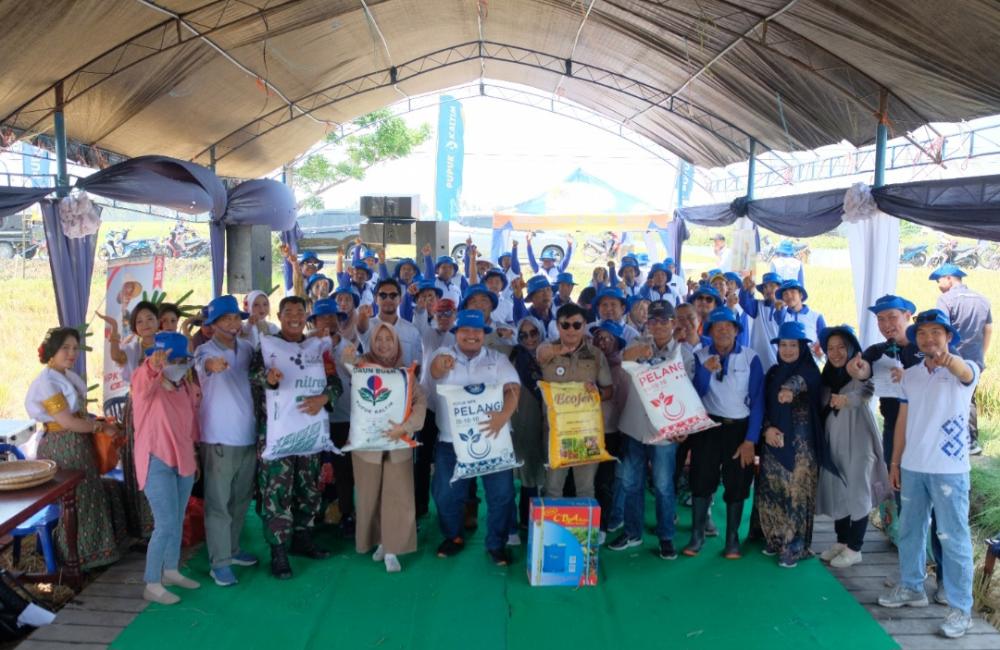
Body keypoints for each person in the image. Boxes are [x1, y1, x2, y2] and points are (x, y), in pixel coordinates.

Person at [878, 309, 979, 640]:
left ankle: (960, 608)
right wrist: (894, 462)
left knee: (954, 539)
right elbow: (903, 421)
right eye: (922, 333)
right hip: (913, 466)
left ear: (949, 337)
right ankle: (911, 586)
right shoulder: (911, 375)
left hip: (949, 471)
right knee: (910, 530)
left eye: (937, 332)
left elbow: (964, 372)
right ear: (916, 338)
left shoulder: (965, 370)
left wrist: (946, 359)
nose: (929, 339)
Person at [251, 296, 342, 579]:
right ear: (279, 316)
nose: (294, 316)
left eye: (300, 312)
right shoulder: (267, 346)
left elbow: (335, 382)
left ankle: (302, 537)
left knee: (309, 488)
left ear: (306, 317)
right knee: (276, 493)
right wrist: (270, 378)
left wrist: (325, 397)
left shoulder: (316, 347)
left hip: (309, 434)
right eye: (288, 312)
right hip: (277, 436)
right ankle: (278, 552)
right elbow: (254, 374)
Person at [25, 327, 125, 570]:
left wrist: (99, 423)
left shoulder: (65, 375)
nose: (72, 353)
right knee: (80, 498)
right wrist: (101, 429)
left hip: (77, 442)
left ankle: (98, 553)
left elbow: (77, 416)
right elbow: (67, 422)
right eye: (65, 348)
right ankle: (77, 558)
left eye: (75, 348)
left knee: (91, 493)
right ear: (51, 351)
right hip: (63, 445)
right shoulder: (47, 382)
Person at [428, 309, 520, 565]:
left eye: (476, 331)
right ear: (456, 333)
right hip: (451, 441)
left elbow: (513, 389)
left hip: (495, 438)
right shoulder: (443, 355)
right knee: (445, 493)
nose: (471, 335)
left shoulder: (497, 359)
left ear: (483, 334)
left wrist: (504, 415)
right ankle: (453, 536)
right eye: (465, 330)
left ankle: (496, 544)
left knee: (501, 494)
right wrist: (441, 365)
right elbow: (434, 371)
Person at [612, 301, 695, 558]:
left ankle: (666, 536)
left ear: (673, 324)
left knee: (663, 485)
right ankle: (632, 532)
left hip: (664, 430)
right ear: (647, 323)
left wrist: (684, 427)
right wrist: (638, 351)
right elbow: (623, 365)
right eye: (654, 321)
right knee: (630, 482)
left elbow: (688, 393)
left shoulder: (684, 353)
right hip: (635, 425)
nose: (658, 325)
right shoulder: (636, 346)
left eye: (664, 321)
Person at [342, 322, 427, 572]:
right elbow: (347, 363)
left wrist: (406, 427)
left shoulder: (405, 373)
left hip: (397, 444)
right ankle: (379, 540)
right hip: (367, 447)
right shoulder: (361, 369)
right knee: (369, 496)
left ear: (397, 343)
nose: (383, 344)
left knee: (397, 495)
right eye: (378, 339)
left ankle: (392, 548)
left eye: (389, 339)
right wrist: (346, 357)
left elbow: (420, 402)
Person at [687, 307, 764, 559]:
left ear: (736, 330)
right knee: (701, 480)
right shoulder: (700, 356)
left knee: (737, 483)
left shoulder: (750, 358)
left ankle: (732, 540)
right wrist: (704, 372)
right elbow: (693, 395)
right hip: (708, 427)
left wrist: (751, 440)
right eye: (717, 326)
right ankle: (697, 536)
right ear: (709, 331)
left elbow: (758, 401)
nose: (722, 330)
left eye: (728, 326)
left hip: (738, 429)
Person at [194, 295, 261, 587]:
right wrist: (213, 365)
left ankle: (232, 550)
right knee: (219, 504)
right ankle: (218, 563)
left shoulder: (247, 349)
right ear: (213, 325)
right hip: (219, 439)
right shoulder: (203, 352)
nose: (233, 324)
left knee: (240, 500)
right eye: (226, 319)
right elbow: (205, 365)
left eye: (236, 318)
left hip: (248, 437)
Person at [131, 331, 201, 604]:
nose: (180, 364)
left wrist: (193, 457)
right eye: (174, 359)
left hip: (183, 458)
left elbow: (189, 425)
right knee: (165, 523)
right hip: (155, 459)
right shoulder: (144, 380)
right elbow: (144, 381)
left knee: (178, 517)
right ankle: (151, 582)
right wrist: (154, 366)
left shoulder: (184, 385)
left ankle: (171, 570)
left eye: (183, 359)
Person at [815, 326, 889, 569]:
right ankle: (842, 541)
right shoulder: (828, 375)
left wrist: (848, 399)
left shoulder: (859, 369)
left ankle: (855, 547)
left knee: (858, 490)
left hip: (858, 441)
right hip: (835, 441)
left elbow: (867, 389)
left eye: (841, 347)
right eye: (830, 348)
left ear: (852, 349)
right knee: (840, 489)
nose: (835, 353)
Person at [758, 321, 823, 568]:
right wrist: (767, 430)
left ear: (802, 347)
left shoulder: (809, 371)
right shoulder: (774, 372)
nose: (787, 350)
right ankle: (775, 538)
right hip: (773, 439)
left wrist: (788, 391)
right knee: (773, 489)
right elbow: (763, 404)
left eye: (792, 345)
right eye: (783, 345)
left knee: (797, 494)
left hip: (801, 448)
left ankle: (795, 546)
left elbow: (799, 383)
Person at [536, 303, 614, 500]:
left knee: (586, 489)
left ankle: (583, 532)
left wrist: (597, 393)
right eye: (565, 325)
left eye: (577, 325)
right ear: (557, 325)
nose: (571, 330)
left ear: (585, 325)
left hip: (587, 433)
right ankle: (552, 532)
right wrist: (561, 350)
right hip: (555, 433)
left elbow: (609, 390)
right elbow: (541, 355)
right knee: (553, 488)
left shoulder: (596, 355)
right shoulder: (546, 349)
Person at [98, 300, 159, 539]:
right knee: (139, 461)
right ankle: (143, 526)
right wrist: (113, 331)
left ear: (158, 321)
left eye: (149, 319)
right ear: (134, 327)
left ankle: (164, 524)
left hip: (165, 409)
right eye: (139, 321)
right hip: (139, 409)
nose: (145, 324)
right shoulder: (133, 348)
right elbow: (117, 356)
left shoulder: (168, 343)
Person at [931, 263, 992, 455]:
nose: (938, 284)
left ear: (949, 278)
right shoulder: (982, 299)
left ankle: (950, 439)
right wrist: (981, 354)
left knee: (947, 397)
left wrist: (943, 357)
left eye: (938, 280)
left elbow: (941, 330)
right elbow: (988, 329)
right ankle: (972, 442)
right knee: (970, 399)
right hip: (975, 359)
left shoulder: (945, 299)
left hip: (952, 358)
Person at [412, 300, 457, 519]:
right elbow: (419, 321)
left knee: (450, 461)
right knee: (421, 460)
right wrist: (421, 307)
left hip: (450, 411)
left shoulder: (459, 338)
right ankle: (419, 505)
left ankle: (454, 508)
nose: (444, 317)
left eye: (448, 313)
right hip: (428, 407)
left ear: (455, 314)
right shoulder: (427, 334)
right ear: (434, 315)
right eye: (440, 313)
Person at [508, 317, 547, 531]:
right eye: (523, 335)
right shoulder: (514, 356)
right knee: (529, 471)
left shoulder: (551, 354)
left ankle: (549, 517)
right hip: (524, 418)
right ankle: (526, 519)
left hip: (550, 419)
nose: (529, 338)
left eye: (534, 333)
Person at [358, 278, 423, 367]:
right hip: (373, 380)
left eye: (393, 295)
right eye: (383, 295)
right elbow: (361, 328)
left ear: (400, 299)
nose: (388, 299)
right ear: (375, 299)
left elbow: (417, 366)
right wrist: (362, 315)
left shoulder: (412, 331)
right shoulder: (368, 325)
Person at [739, 272, 783, 371]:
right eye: (765, 287)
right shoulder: (757, 305)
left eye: (772, 286)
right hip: (758, 362)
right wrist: (746, 289)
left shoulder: (786, 309)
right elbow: (744, 302)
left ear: (780, 289)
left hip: (778, 362)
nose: (768, 289)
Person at [773, 280, 826, 356]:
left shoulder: (816, 317)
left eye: (792, 292)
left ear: (801, 295)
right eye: (785, 294)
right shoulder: (782, 315)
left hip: (811, 364)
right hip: (788, 363)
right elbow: (778, 318)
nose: (789, 296)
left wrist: (819, 348)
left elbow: (825, 342)